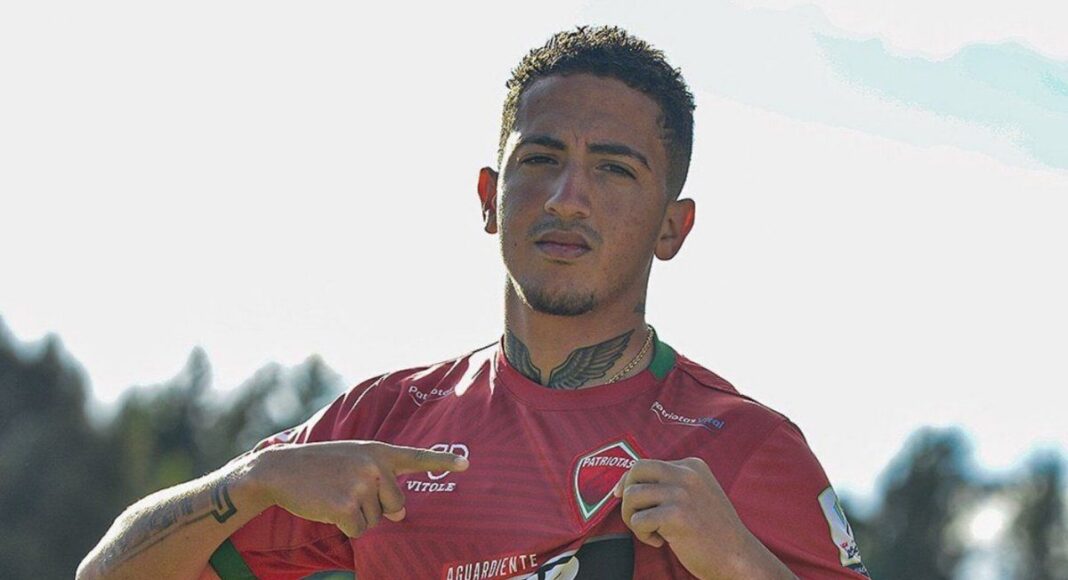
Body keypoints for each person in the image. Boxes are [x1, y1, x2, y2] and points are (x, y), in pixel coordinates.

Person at [79, 26, 870, 580]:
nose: (566, 198)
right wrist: (253, 481)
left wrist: (740, 563)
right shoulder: (384, 425)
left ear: (673, 227)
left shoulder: (746, 447)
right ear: (490, 198)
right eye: (541, 159)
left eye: (614, 170)